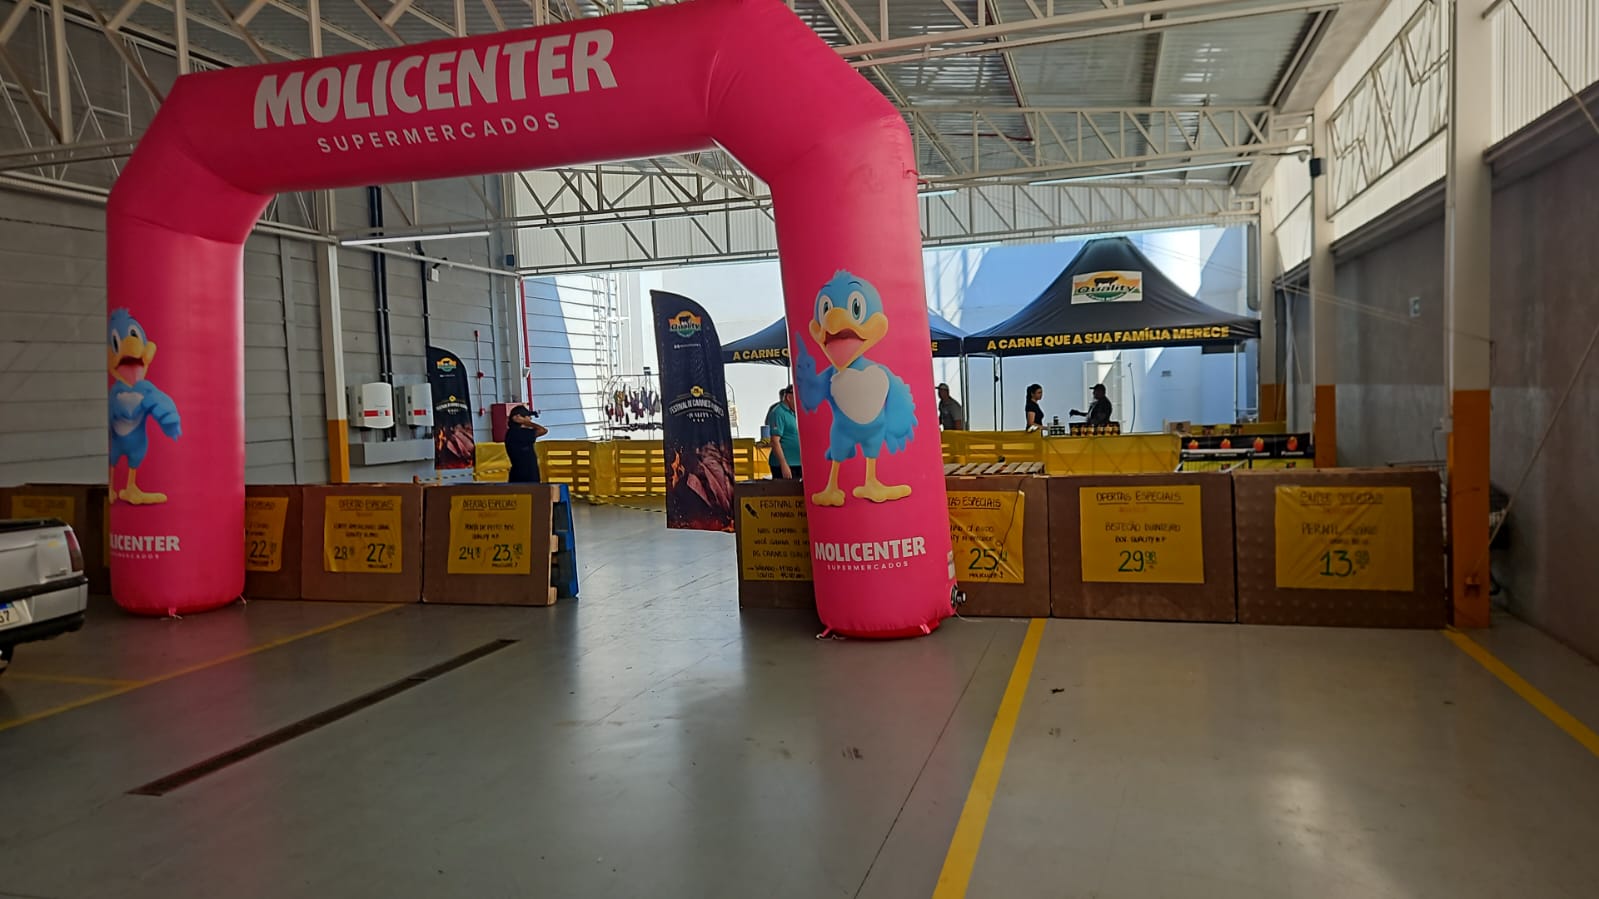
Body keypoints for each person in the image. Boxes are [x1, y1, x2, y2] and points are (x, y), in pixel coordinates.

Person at [504, 404, 548, 483]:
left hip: (518, 474)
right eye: (528, 416)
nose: (530, 419)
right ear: (519, 417)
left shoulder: (511, 433)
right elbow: (543, 430)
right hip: (527, 475)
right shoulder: (519, 433)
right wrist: (526, 422)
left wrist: (525, 422)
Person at [766, 385, 802, 480]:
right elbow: (775, 442)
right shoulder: (778, 413)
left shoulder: (796, 413)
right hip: (785, 465)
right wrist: (783, 464)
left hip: (799, 463)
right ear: (789, 397)